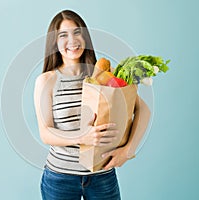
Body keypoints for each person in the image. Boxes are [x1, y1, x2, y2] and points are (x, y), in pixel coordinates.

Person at [34, 9, 151, 200]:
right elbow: (45, 133)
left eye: (77, 32)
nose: (72, 41)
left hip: (102, 176)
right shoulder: (46, 81)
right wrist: (83, 136)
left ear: (85, 37)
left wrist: (128, 151)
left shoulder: (104, 75)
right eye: (63, 35)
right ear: (54, 43)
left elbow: (143, 109)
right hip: (60, 178)